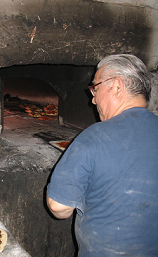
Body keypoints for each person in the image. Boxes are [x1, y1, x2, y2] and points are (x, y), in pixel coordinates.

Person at [46, 54, 158, 256]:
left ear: (116, 86)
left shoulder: (94, 136)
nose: (93, 99)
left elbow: (58, 207)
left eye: (95, 88)